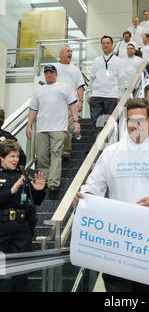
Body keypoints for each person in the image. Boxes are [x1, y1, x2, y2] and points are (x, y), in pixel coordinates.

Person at [72, 98, 149, 292]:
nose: (136, 125)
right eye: (131, 120)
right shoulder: (111, 153)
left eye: (141, 120)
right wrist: (82, 196)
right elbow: (93, 188)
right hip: (118, 245)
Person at [0, 140, 46, 292]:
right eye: (11, 156)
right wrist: (11, 191)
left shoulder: (23, 175)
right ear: (2, 158)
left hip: (21, 228)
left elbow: (35, 201)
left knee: (20, 273)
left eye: (17, 156)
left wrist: (39, 190)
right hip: (2, 226)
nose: (15, 160)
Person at [26, 65, 80, 191]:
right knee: (42, 156)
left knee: (56, 153)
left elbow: (72, 105)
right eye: (46, 73)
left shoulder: (64, 87)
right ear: (44, 75)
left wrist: (76, 121)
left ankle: (53, 183)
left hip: (59, 127)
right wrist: (29, 125)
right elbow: (33, 109)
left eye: (51, 73)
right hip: (41, 128)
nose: (49, 75)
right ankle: (44, 180)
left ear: (56, 74)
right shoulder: (39, 91)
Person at [87, 36, 127, 148]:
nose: (105, 45)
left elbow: (122, 79)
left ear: (111, 44)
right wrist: (89, 93)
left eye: (108, 43)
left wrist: (120, 95)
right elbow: (92, 78)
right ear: (101, 45)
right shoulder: (96, 60)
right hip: (96, 95)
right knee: (95, 123)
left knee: (109, 123)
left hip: (112, 96)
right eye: (103, 43)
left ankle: (109, 147)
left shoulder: (119, 61)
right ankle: (94, 149)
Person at [47, 46, 85, 159]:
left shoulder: (75, 69)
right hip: (54, 104)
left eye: (71, 52)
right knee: (55, 128)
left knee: (68, 129)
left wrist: (81, 101)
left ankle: (66, 151)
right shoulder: (54, 67)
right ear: (61, 54)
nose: (71, 53)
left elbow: (79, 86)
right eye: (68, 51)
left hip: (70, 104)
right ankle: (54, 150)